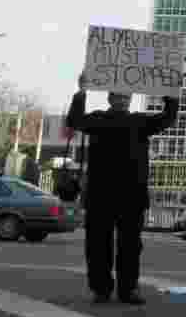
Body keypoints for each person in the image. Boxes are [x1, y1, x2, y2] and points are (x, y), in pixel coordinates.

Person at [66, 73, 178, 305]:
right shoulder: (100, 119)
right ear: (110, 98)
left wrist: (169, 93)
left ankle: (124, 289)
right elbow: (74, 120)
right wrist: (82, 91)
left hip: (126, 195)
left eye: (126, 96)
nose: (123, 99)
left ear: (130, 99)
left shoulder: (137, 121)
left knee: (128, 246)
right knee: (101, 245)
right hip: (105, 194)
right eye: (119, 96)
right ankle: (105, 289)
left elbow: (168, 118)